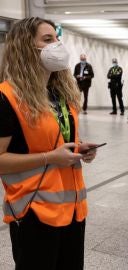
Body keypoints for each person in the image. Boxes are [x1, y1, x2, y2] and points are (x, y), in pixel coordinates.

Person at [0, 17, 98, 269]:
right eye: (47, 39)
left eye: (57, 38)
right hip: (33, 211)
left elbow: (57, 139)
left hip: (73, 209)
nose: (57, 45)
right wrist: (49, 158)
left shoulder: (60, 94)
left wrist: (78, 147)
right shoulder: (6, 97)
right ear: (25, 47)